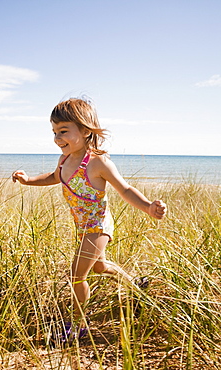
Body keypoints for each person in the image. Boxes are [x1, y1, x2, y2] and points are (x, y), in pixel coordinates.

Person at [12, 97, 166, 343]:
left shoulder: (97, 162)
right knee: (100, 267)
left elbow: (124, 189)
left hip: (97, 226)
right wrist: (29, 180)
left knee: (76, 275)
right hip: (82, 227)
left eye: (63, 131)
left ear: (85, 131)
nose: (57, 138)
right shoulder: (64, 159)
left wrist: (148, 207)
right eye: (54, 131)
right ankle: (136, 285)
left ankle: (77, 325)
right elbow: (54, 177)